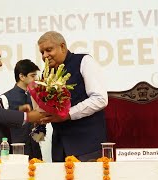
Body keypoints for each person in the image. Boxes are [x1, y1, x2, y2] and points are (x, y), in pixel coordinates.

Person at [37, 31, 108, 162]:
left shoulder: (84, 61)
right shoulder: (46, 73)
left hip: (87, 144)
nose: (45, 56)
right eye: (42, 52)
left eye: (48, 50)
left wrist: (68, 114)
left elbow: (100, 99)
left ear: (62, 47)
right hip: (60, 146)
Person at [1, 59, 42, 159]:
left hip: (35, 152)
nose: (36, 79)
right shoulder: (5, 98)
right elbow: (2, 121)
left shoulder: (35, 97)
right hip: (15, 152)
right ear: (22, 76)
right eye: (33, 75)